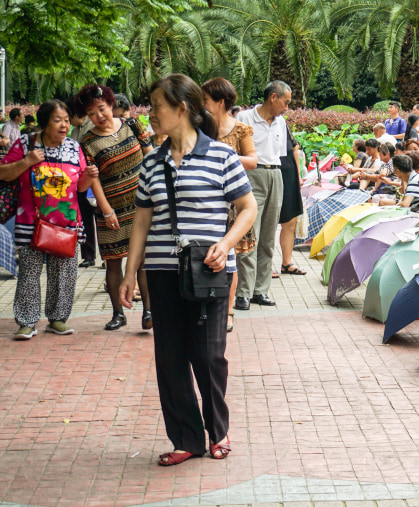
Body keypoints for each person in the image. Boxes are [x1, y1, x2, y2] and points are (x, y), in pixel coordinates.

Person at [120, 73, 257, 466]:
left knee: (209, 354)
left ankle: (218, 431)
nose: (150, 114)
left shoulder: (221, 156)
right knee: (170, 357)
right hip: (162, 273)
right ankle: (187, 438)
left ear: (181, 108)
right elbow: (141, 223)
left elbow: (247, 208)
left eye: (157, 106)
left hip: (210, 270)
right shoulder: (152, 163)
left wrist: (226, 243)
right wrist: (132, 274)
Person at [0, 100, 98, 339]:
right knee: (29, 274)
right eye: (58, 120)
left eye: (66, 120)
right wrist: (27, 162)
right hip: (31, 222)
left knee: (64, 274)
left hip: (66, 221)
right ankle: (27, 322)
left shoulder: (75, 148)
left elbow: (81, 189)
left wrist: (88, 177)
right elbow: (4, 172)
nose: (64, 125)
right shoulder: (27, 143)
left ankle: (57, 319)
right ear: (44, 123)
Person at [75, 84, 154, 331]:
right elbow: (93, 177)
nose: (98, 116)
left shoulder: (132, 125)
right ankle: (118, 314)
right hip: (112, 210)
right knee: (112, 261)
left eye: (101, 109)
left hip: (142, 204)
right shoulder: (87, 141)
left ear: (110, 105)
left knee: (142, 260)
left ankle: (149, 312)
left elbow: (150, 155)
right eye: (91, 113)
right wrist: (106, 210)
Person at [202, 77, 259, 332]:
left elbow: (254, 161)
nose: (202, 105)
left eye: (206, 100)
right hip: (208, 201)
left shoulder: (240, 129)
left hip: (235, 203)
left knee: (231, 258)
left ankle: (228, 311)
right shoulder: (200, 127)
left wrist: (227, 156)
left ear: (220, 102)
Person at [234, 80, 291, 310]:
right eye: (285, 102)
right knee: (249, 234)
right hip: (251, 175)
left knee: (268, 236)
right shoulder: (245, 118)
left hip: (275, 175)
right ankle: (243, 292)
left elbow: (281, 154)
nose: (287, 107)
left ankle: (261, 290)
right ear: (273, 98)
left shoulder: (281, 122)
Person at [67, 99, 97, 268]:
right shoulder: (74, 131)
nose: (67, 123)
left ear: (76, 115)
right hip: (79, 181)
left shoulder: (91, 128)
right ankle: (89, 255)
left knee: (100, 219)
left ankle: (107, 257)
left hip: (93, 178)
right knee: (84, 219)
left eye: (68, 118)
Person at [276, 118, 305, 277]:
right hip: (271, 173)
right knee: (267, 222)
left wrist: (298, 175)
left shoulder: (281, 122)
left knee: (291, 220)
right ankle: (264, 265)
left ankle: (286, 263)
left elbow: (294, 148)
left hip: (289, 174)